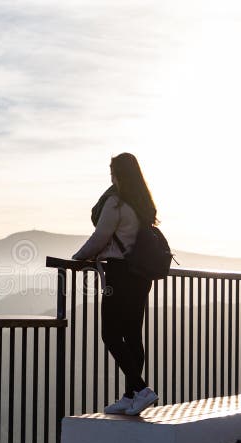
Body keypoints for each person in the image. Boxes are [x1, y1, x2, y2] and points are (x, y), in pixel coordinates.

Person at [72, 152, 159, 416]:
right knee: (132, 335)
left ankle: (141, 390)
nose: (111, 178)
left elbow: (100, 237)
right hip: (140, 276)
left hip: (119, 274)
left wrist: (77, 258)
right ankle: (131, 395)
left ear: (119, 175)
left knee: (110, 334)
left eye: (113, 173)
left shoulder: (116, 203)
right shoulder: (141, 204)